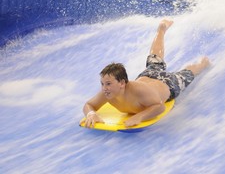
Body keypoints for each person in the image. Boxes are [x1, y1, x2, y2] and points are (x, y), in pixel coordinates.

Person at [81, 19, 210, 128]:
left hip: (168, 83)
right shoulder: (108, 92)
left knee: (185, 74)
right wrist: (91, 114)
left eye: (108, 84)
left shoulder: (139, 91)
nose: (104, 88)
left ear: (122, 83)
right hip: (148, 74)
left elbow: (159, 106)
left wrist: (140, 117)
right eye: (102, 84)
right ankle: (161, 29)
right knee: (154, 57)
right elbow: (89, 105)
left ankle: (203, 63)